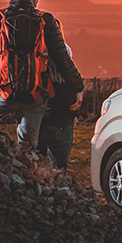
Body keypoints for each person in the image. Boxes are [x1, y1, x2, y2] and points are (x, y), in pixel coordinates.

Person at [0, 0, 84, 149]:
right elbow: (62, 58)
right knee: (28, 148)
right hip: (35, 95)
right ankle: (25, 172)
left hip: (2, 93)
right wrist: (78, 87)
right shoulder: (46, 20)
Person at [37, 23, 81, 170]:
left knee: (37, 170)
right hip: (61, 122)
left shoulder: (34, 63)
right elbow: (70, 98)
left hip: (36, 122)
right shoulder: (66, 66)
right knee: (60, 170)